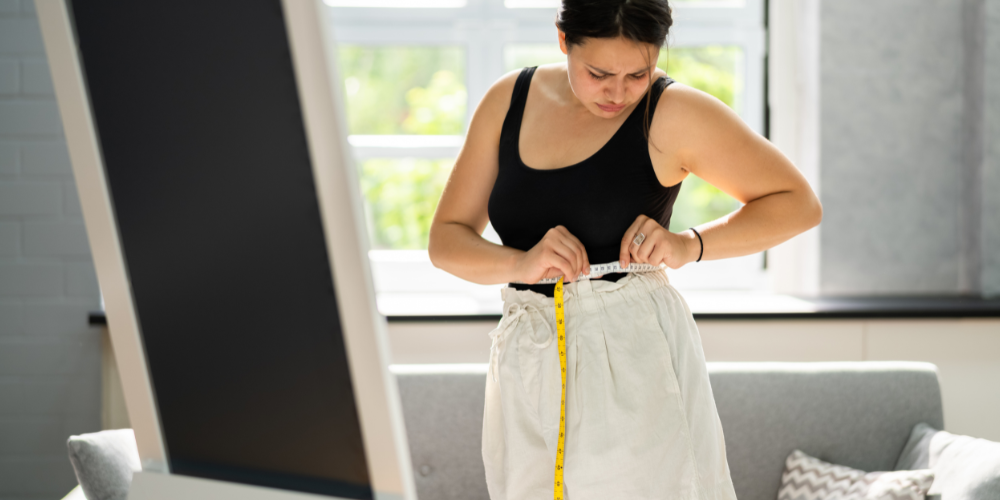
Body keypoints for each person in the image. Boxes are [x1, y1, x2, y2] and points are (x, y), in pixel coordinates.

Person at [427, 1, 822, 498]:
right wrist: (520, 263)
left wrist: (690, 245)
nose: (618, 92)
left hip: (634, 356)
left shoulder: (672, 113)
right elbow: (446, 239)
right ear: (563, 39)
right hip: (526, 354)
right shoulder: (509, 99)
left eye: (639, 72)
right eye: (598, 73)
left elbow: (798, 203)